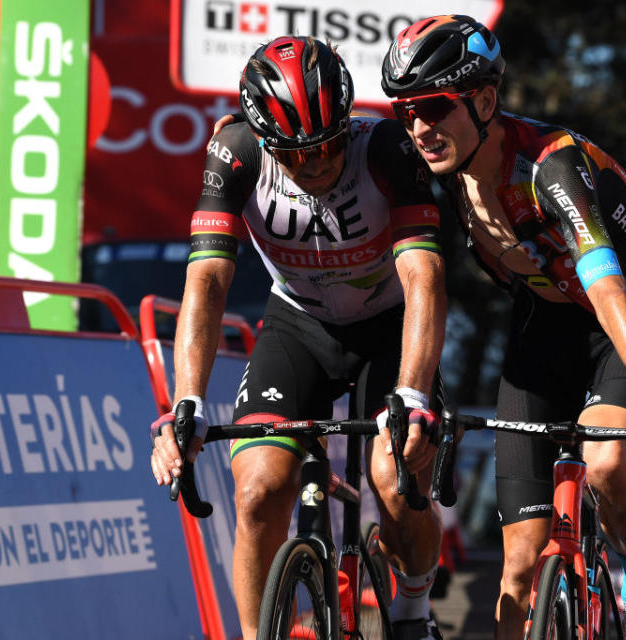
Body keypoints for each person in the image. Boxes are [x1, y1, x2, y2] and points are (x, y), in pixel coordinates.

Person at [380, 15, 626, 640]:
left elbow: (608, 292)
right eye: (406, 112)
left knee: (608, 464)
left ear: (483, 101)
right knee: (518, 570)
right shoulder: (439, 174)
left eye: (434, 107)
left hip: (624, 323)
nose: (419, 128)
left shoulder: (552, 167)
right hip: (543, 332)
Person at [150, 36, 447, 640]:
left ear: (346, 122)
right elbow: (206, 281)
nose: (314, 164)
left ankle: (414, 606)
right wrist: (185, 403)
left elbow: (424, 275)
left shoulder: (385, 147)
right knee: (258, 491)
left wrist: (414, 394)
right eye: (294, 154)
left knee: (394, 481)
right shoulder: (234, 153)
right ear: (263, 141)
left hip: (387, 326)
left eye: (327, 145)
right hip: (299, 325)